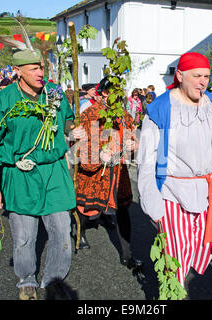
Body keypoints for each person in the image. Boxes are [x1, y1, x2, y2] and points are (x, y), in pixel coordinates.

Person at [0, 47, 85, 300]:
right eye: (34, 69)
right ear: (17, 71)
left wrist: (73, 130)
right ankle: (26, 279)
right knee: (25, 235)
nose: (41, 73)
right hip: (20, 174)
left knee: (62, 230)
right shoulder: (3, 100)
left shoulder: (55, 92)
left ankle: (54, 279)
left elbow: (68, 120)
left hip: (55, 170)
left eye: (41, 67)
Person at [137, 52, 212, 288]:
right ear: (180, 75)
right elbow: (147, 161)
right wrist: (152, 201)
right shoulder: (160, 109)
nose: (203, 81)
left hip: (204, 192)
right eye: (197, 76)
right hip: (171, 191)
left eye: (206, 76)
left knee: (197, 250)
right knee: (174, 258)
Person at [75, 76, 144, 275]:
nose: (119, 95)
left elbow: (131, 135)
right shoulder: (90, 113)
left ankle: (127, 254)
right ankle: (81, 233)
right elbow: (80, 143)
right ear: (104, 93)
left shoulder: (123, 114)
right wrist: (97, 154)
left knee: (123, 210)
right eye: (114, 91)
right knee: (89, 207)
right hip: (96, 172)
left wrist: (133, 145)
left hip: (118, 171)